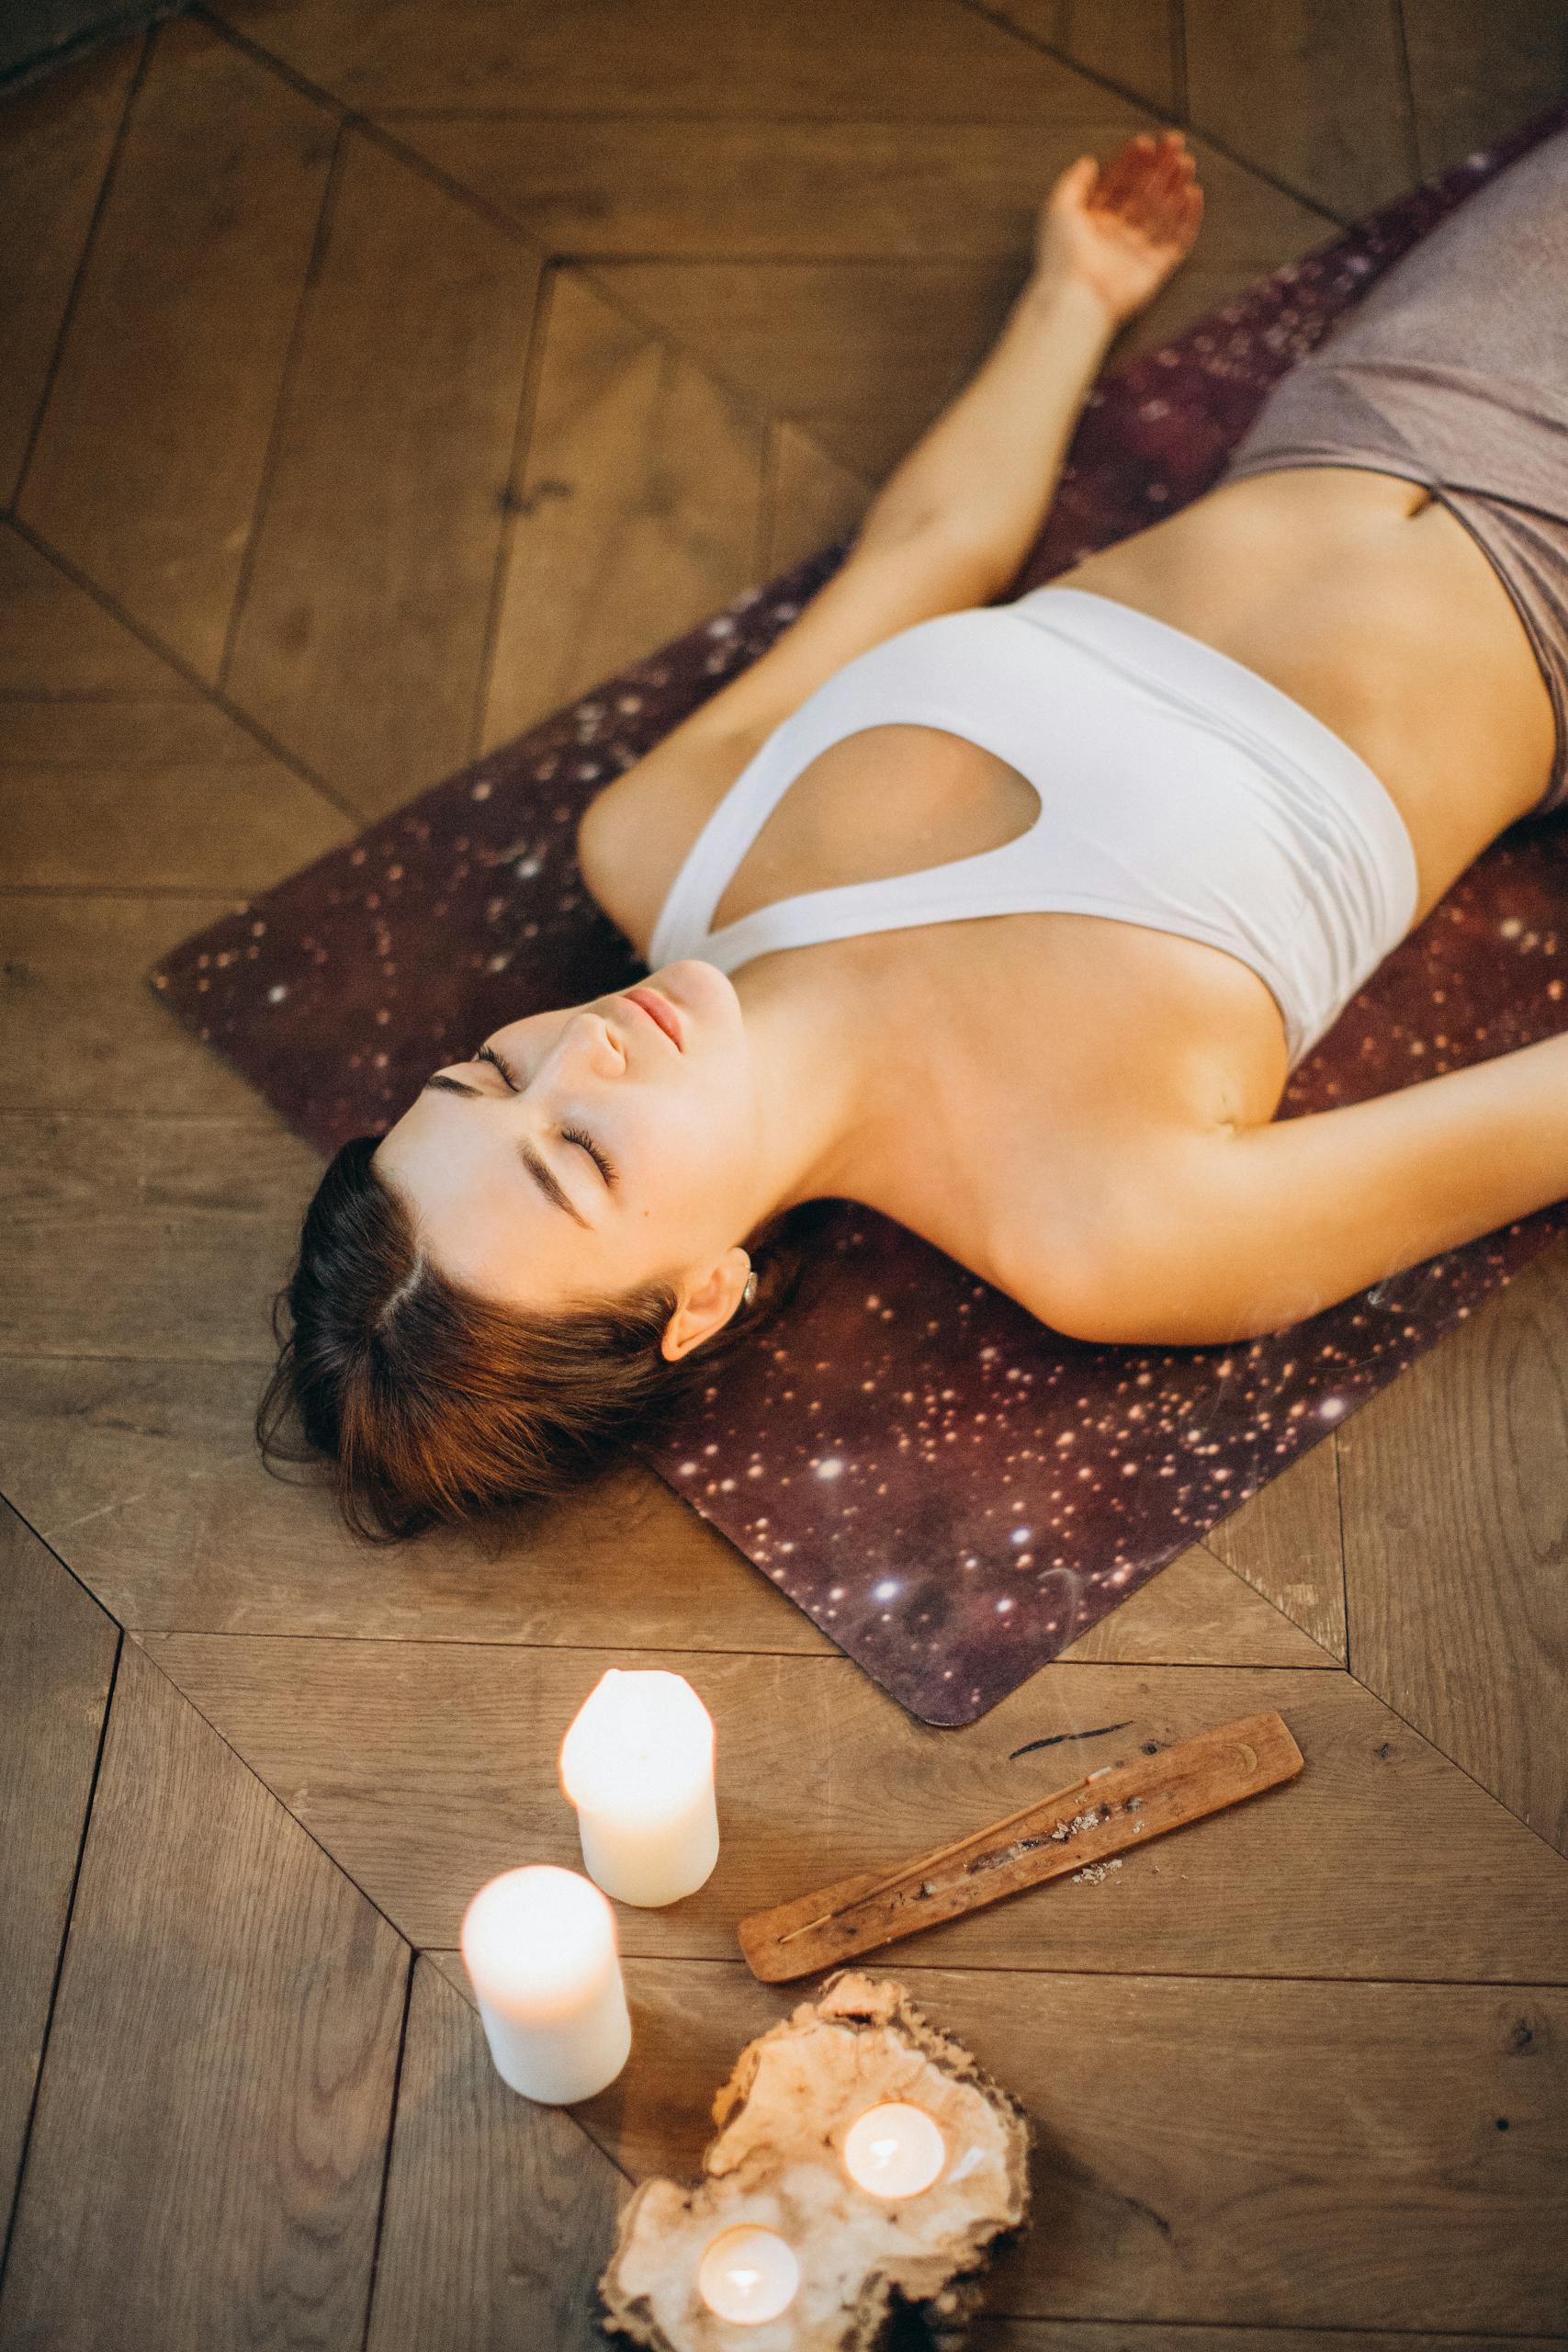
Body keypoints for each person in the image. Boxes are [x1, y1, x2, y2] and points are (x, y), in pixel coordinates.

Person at [263, 126, 1568, 1540]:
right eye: (581, 1154)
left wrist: (1074, 296)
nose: (584, 1044)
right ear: (701, 1298)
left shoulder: (657, 838)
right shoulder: (1103, 1230)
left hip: (1381, 397)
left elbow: (928, 552)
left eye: (490, 1070)